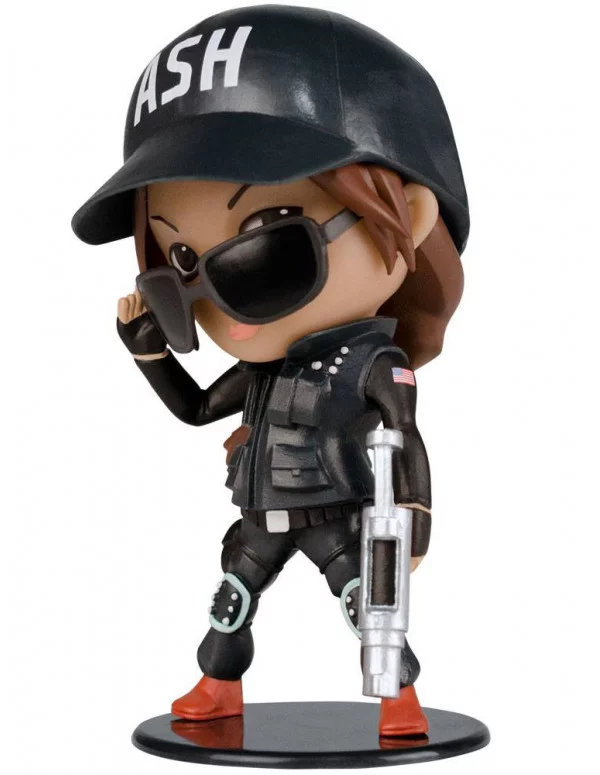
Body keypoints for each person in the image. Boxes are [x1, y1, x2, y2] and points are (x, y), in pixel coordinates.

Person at [72, 5, 468, 738]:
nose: (218, 299)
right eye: (180, 266)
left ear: (407, 217)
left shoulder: (368, 364)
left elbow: (404, 438)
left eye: (265, 248)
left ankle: (400, 697)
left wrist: (412, 521)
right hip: (260, 511)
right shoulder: (265, 372)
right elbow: (196, 409)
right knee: (231, 600)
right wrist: (149, 351)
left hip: (331, 510)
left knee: (368, 606)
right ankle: (218, 686)